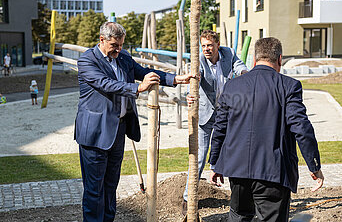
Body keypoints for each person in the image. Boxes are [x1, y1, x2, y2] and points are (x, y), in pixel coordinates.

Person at [74, 22, 196, 222]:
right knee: (94, 190)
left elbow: (144, 72)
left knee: (111, 186)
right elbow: (106, 84)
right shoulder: (87, 60)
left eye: (121, 45)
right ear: (102, 40)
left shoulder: (123, 58)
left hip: (118, 131)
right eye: (114, 45)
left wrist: (176, 79)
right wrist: (138, 89)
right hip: (94, 135)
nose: (119, 49)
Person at [209, 37, 324, 221]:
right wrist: (314, 165)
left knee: (239, 216)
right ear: (280, 59)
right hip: (273, 171)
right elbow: (301, 128)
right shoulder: (289, 86)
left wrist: (215, 162)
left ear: (254, 59)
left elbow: (220, 126)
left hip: (237, 169)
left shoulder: (232, 86)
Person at [182, 30, 248, 214]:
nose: (206, 49)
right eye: (203, 46)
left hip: (226, 113)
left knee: (234, 152)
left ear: (218, 44)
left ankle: (240, 198)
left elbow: (239, 66)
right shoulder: (199, 60)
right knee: (200, 156)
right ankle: (188, 199)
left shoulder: (229, 53)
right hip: (205, 114)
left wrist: (245, 74)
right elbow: (195, 77)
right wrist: (189, 94)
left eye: (209, 45)